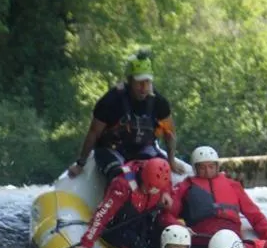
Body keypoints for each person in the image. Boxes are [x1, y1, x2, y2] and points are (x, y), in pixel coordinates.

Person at [68, 51, 185, 181]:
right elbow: (94, 133)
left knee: (160, 173)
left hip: (143, 148)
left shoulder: (159, 102)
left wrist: (171, 161)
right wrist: (80, 164)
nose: (144, 87)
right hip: (111, 149)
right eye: (139, 82)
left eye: (147, 81)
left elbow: (170, 133)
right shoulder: (110, 100)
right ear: (129, 80)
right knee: (121, 177)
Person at [161, 145, 267, 248]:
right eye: (202, 167)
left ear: (217, 166)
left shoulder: (233, 186)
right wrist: (180, 228)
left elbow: (254, 215)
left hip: (231, 244)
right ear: (195, 168)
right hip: (201, 242)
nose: (207, 171)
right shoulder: (185, 187)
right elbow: (166, 215)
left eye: (211, 166)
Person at [75, 158, 173, 248]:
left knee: (159, 238)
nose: (154, 192)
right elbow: (103, 214)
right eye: (150, 189)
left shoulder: (159, 178)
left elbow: (166, 182)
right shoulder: (122, 186)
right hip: (116, 226)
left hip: (139, 218)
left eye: (157, 189)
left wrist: (166, 192)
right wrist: (86, 243)